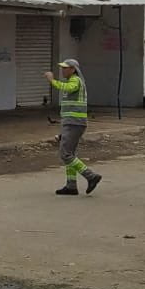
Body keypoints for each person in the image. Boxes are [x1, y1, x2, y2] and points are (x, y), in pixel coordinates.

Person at [43, 59, 102, 196]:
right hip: (71, 123)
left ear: (73, 69)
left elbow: (68, 88)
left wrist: (52, 81)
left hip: (74, 123)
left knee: (65, 154)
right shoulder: (73, 80)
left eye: (65, 68)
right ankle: (71, 186)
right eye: (62, 68)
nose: (63, 70)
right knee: (70, 154)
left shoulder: (75, 81)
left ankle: (91, 176)